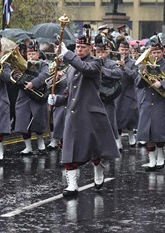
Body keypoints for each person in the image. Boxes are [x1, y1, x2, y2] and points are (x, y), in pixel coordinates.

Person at [47, 32, 121, 198]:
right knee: (69, 150)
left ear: (90, 48)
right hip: (73, 114)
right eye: (77, 47)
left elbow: (85, 68)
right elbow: (68, 93)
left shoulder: (96, 63)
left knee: (94, 150)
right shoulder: (72, 67)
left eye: (83, 47)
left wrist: (67, 54)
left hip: (90, 114)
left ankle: (98, 168)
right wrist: (57, 99)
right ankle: (72, 185)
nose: (79, 50)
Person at [135, 35, 165, 171]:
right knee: (147, 133)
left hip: (160, 102)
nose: (156, 55)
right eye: (153, 53)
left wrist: (162, 83)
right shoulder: (145, 65)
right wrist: (143, 74)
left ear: (163, 51)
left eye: (158, 52)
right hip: (147, 102)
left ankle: (161, 156)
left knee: (158, 132)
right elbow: (138, 84)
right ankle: (152, 160)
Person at [14, 41, 49, 154]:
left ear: (38, 54)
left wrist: (33, 83)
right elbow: (15, 76)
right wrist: (16, 75)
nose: (31, 56)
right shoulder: (23, 64)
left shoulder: (43, 64)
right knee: (23, 123)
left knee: (38, 123)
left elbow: (44, 75)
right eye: (29, 54)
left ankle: (41, 144)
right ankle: (28, 147)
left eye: (33, 53)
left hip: (37, 97)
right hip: (23, 97)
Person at [115, 40, 139, 150]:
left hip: (128, 93)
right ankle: (118, 140)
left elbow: (135, 76)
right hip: (117, 94)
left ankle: (131, 134)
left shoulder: (133, 63)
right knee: (117, 118)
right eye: (122, 50)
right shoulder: (114, 62)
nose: (124, 52)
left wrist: (125, 67)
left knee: (129, 117)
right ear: (118, 50)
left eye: (126, 50)